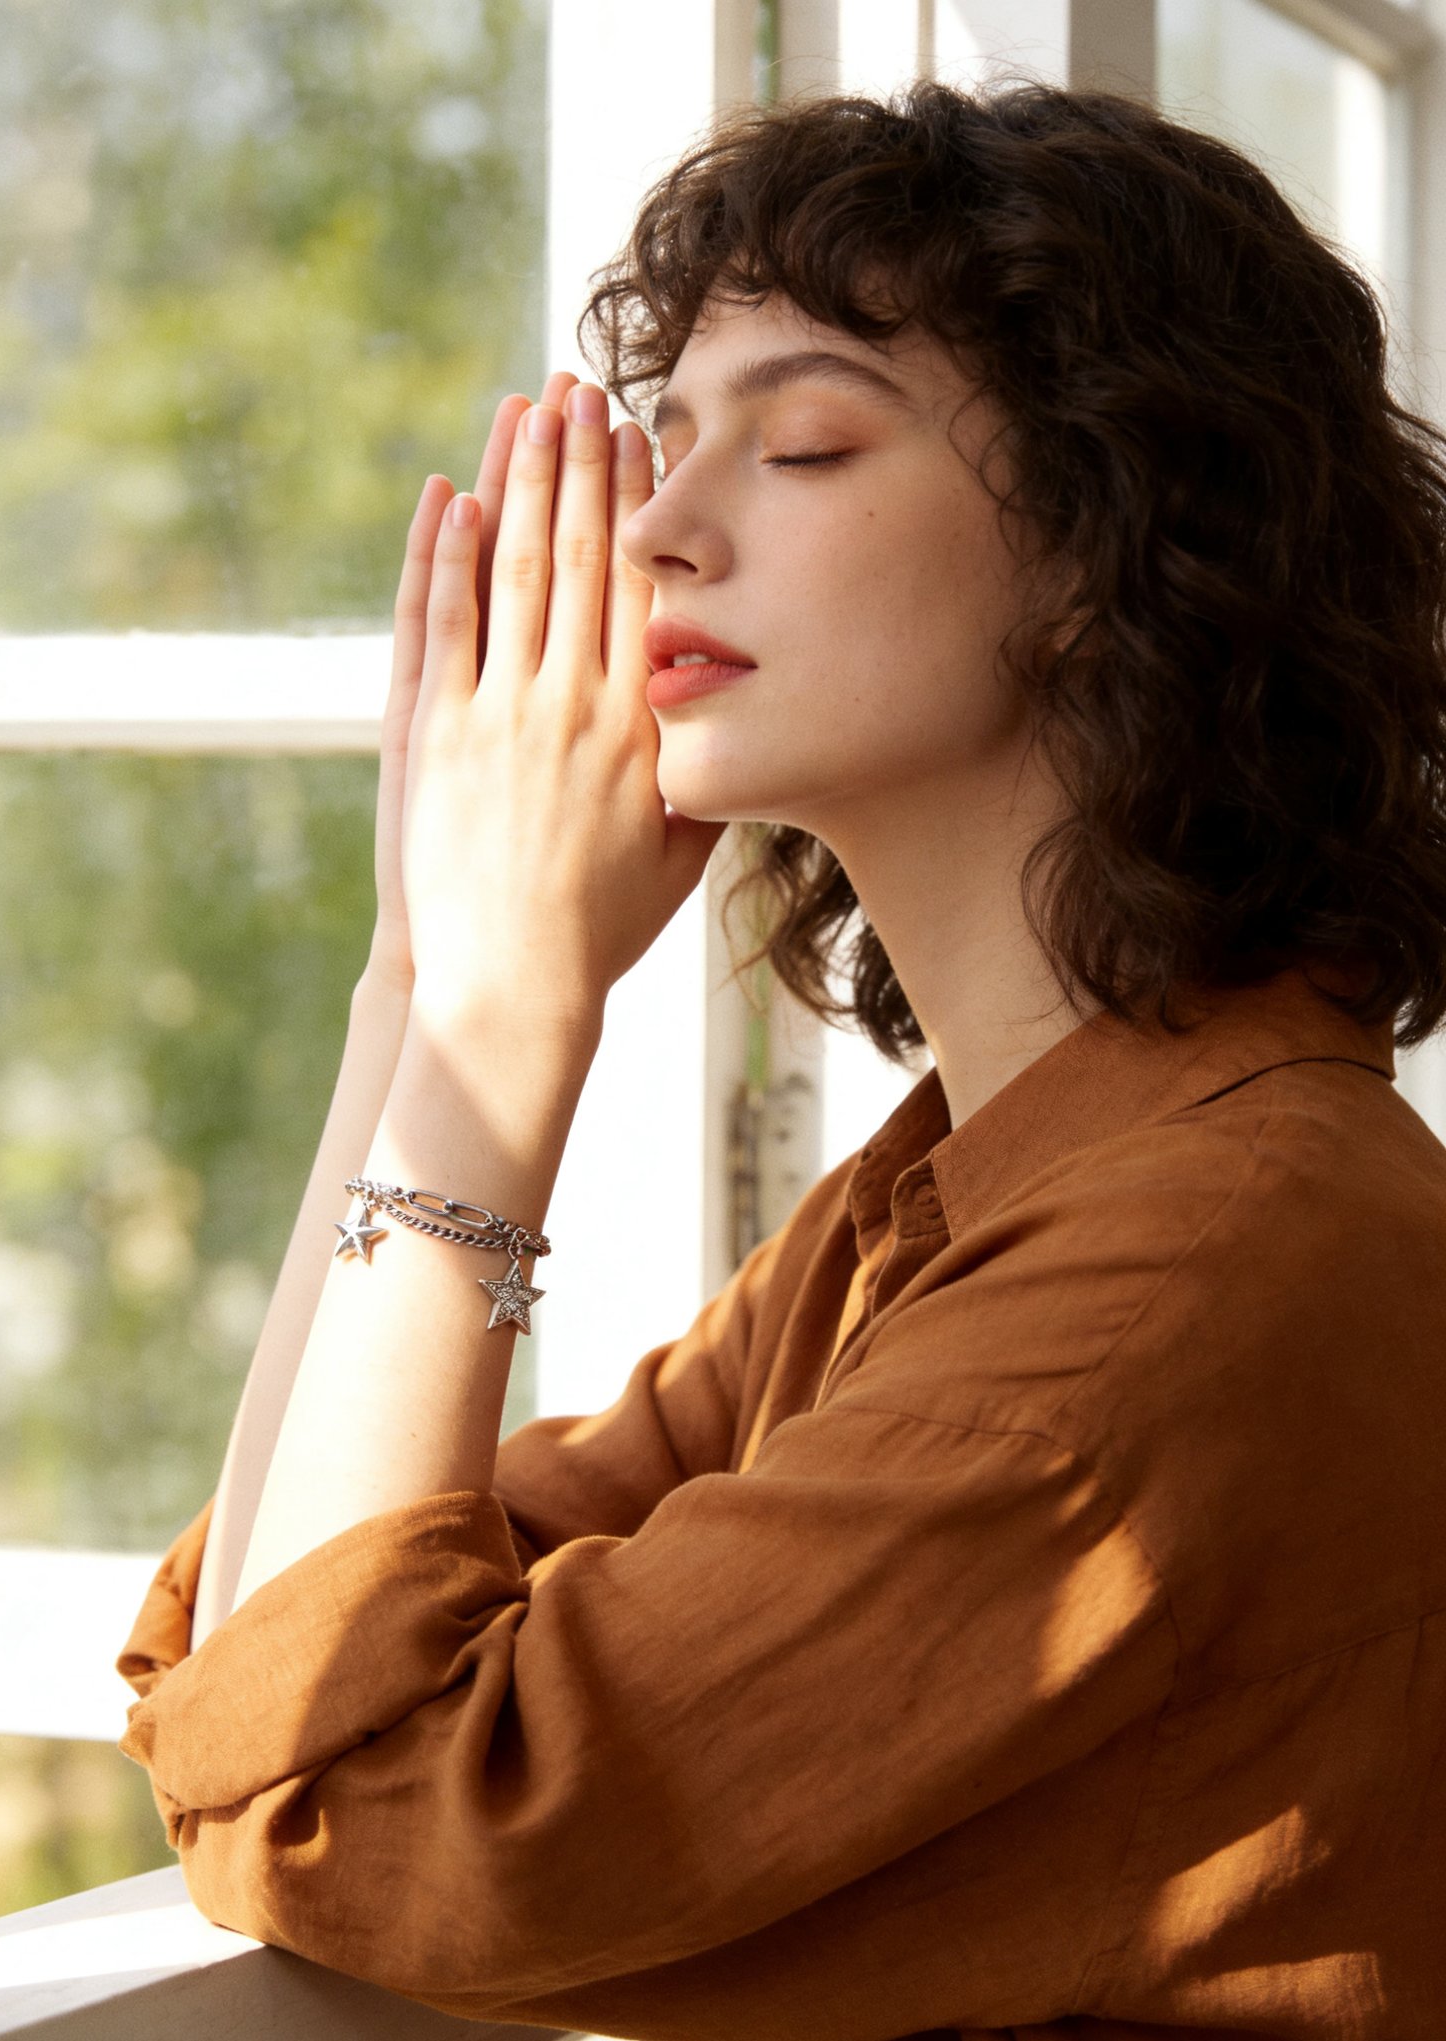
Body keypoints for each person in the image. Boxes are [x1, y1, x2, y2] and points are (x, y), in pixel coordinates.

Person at [115, 77, 1446, 2039]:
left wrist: (503, 1015)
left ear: (1114, 536)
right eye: (663, 440)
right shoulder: (956, 1204)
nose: (656, 525)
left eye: (804, 442)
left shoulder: (1174, 1281)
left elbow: (330, 1774)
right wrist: (413, 977)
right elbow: (250, 1648)